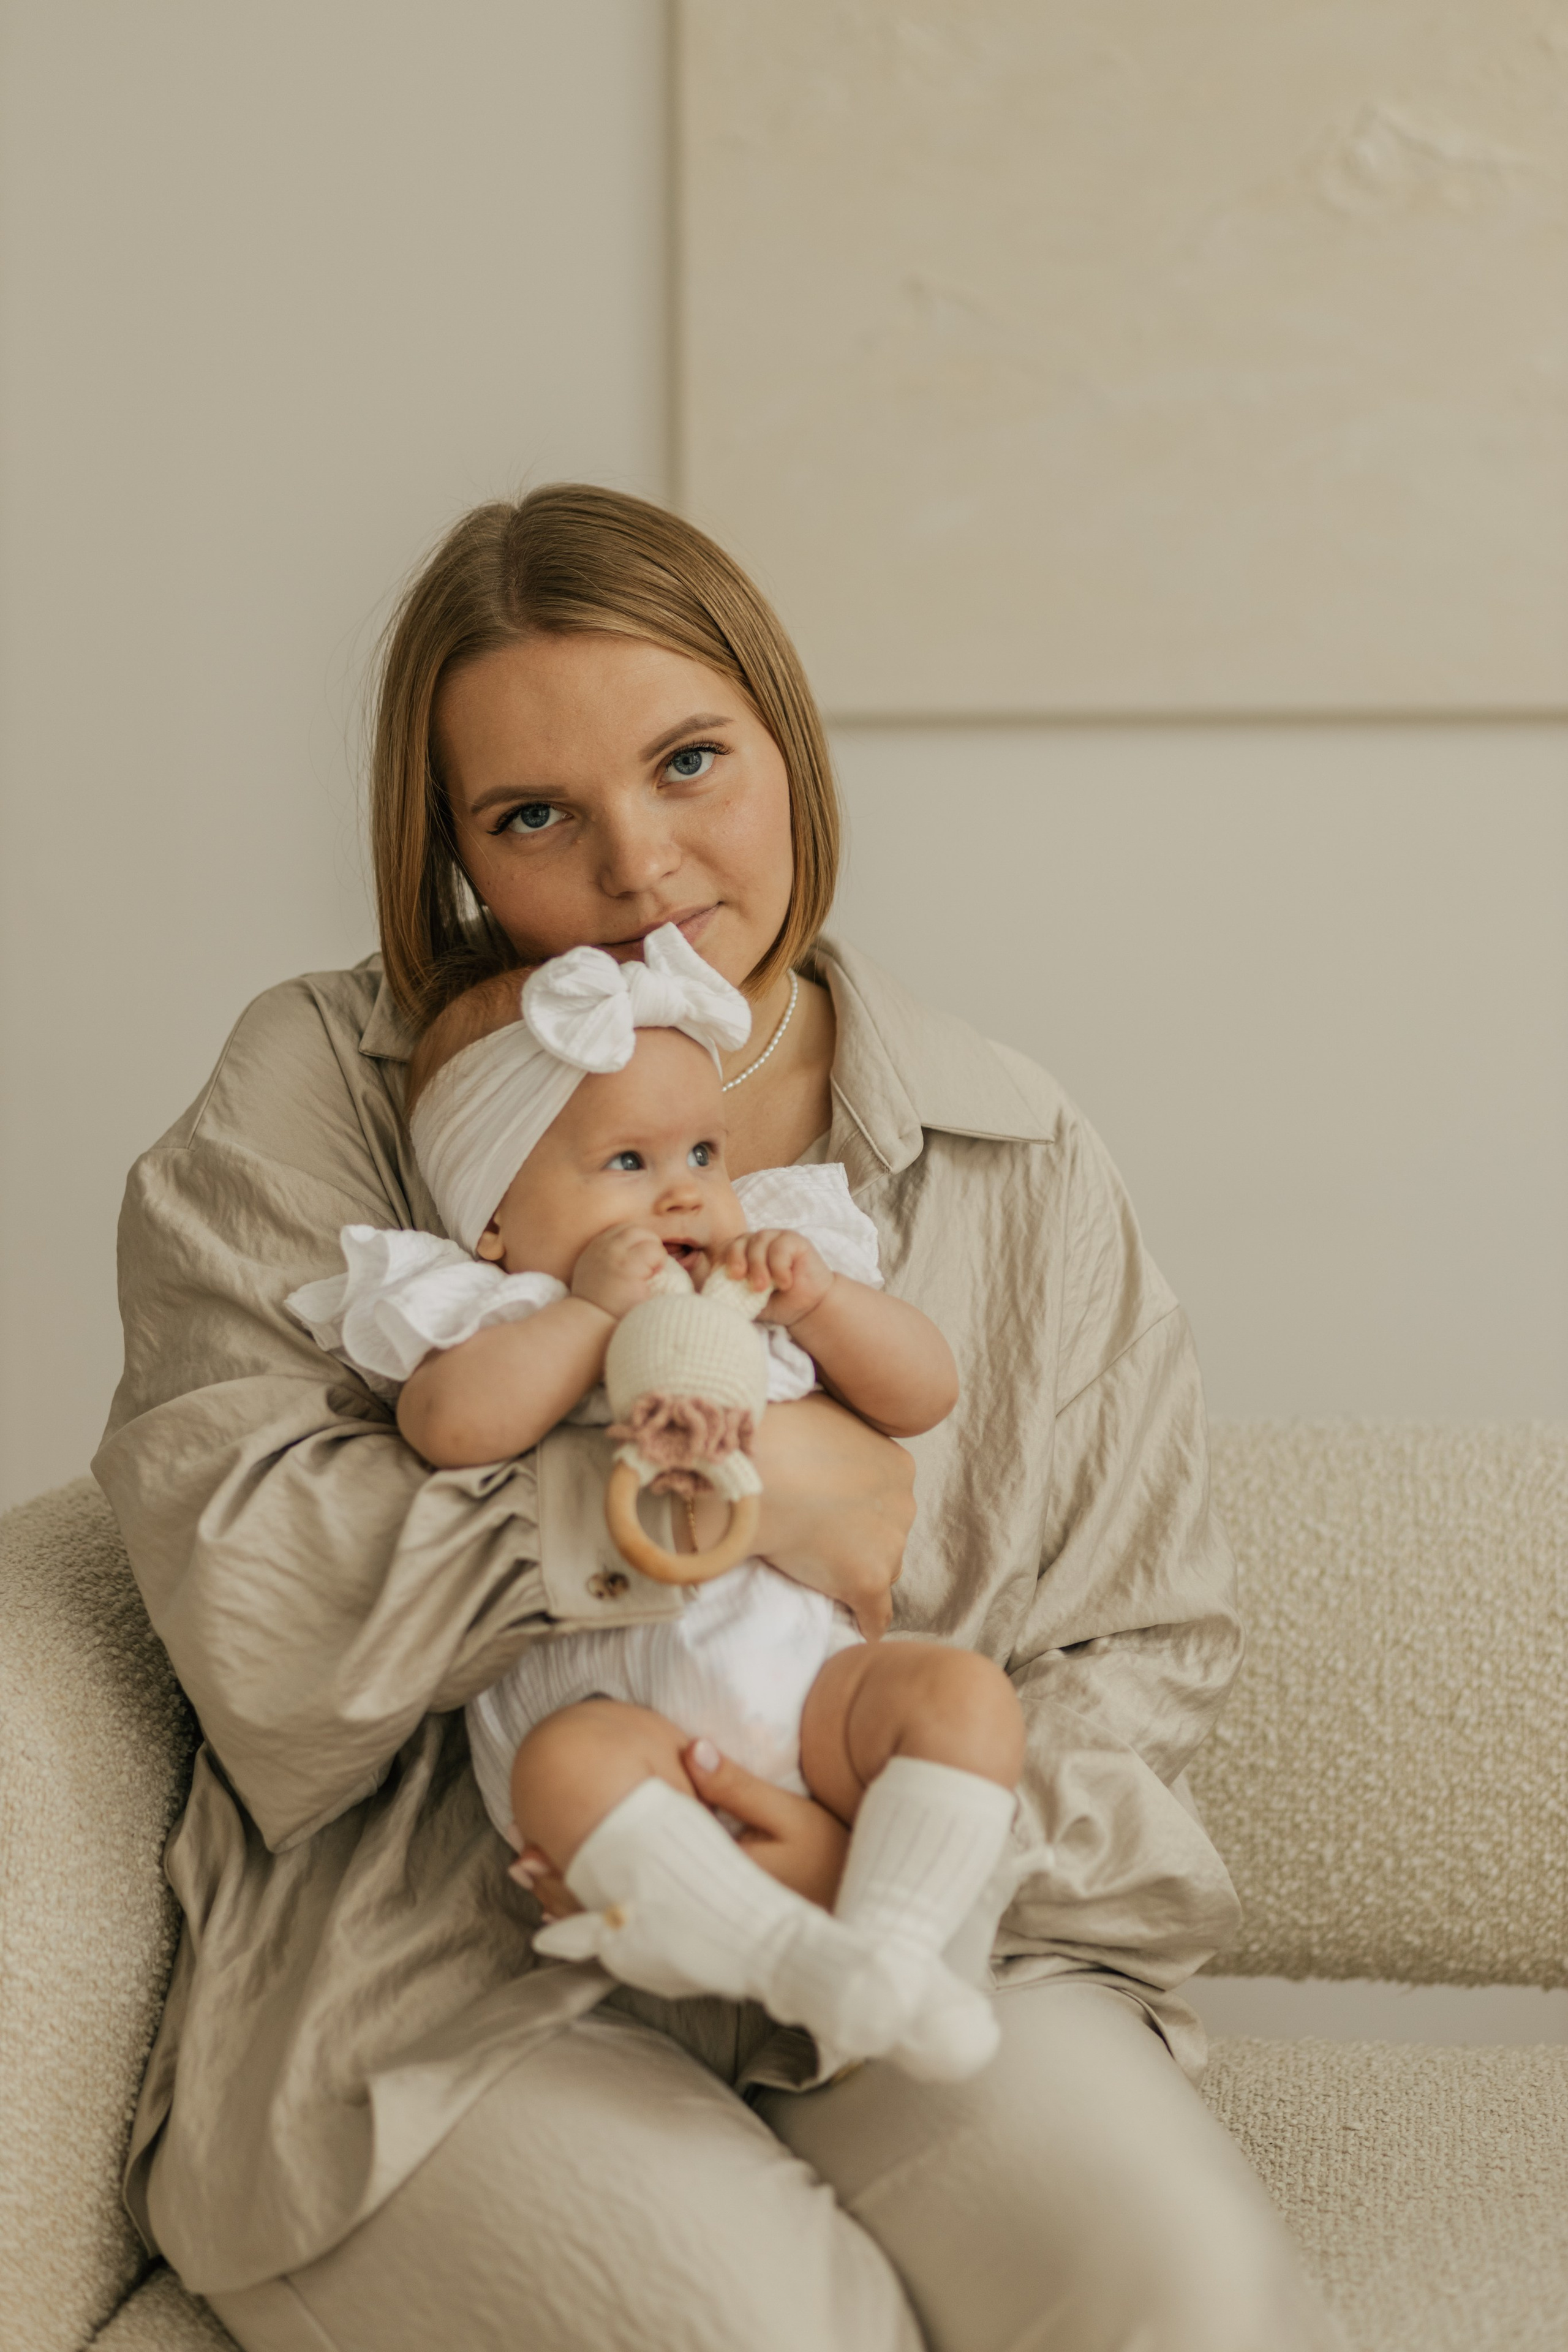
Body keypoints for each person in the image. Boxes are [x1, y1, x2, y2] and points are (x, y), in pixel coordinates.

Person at [95, 483, 1346, 2350]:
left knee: (1189, 2296)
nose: (642, 868)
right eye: (534, 815)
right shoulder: (337, 1092)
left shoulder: (1015, 1151)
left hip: (916, 1913)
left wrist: (888, 1864)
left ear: (789, 746)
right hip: (451, 1949)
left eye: (690, 763)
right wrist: (718, 1508)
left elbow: (1136, 1644)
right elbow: (255, 1596)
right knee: (760, 2332)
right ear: (450, 848)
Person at [286, 922, 1025, 2083]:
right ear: (494, 1218)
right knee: (564, 1768)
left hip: (810, 1699)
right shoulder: (505, 1311)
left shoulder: (760, 1284)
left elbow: (927, 1392)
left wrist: (823, 1306)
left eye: (704, 1153)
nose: (684, 1192)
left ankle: (893, 1948)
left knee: (961, 1695)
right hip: (617, 1736)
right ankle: (801, 1962)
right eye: (627, 1162)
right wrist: (586, 1316)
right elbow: (448, 1428)